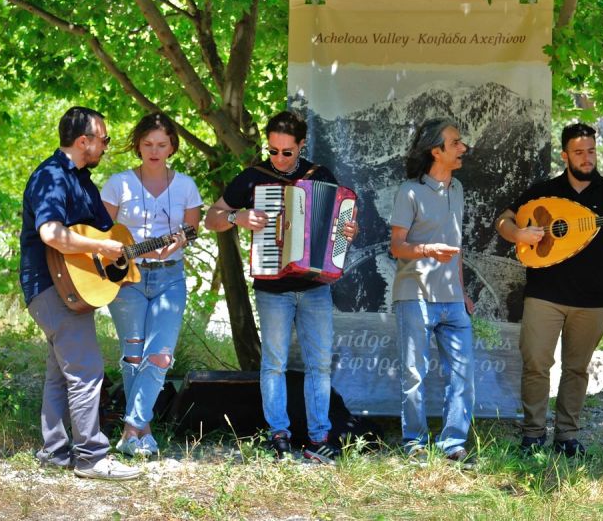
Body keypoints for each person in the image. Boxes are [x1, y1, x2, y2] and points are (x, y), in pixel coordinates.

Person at [204, 111, 357, 463]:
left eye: (287, 152)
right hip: (272, 287)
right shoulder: (253, 178)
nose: (278, 158)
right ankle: (279, 435)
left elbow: (340, 228)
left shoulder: (320, 176)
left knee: (320, 363)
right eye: (273, 150)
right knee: (273, 363)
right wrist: (235, 217)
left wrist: (348, 232)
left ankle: (319, 438)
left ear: (301, 146)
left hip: (316, 286)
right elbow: (212, 216)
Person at [495, 122, 603, 457]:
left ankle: (566, 437)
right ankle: (533, 435)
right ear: (565, 155)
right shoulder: (544, 192)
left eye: (591, 151)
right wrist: (518, 235)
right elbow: (504, 220)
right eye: (579, 152)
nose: (587, 158)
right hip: (545, 295)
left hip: (592, 301)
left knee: (576, 369)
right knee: (536, 362)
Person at [19, 106, 140, 480]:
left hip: (71, 287)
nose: (106, 145)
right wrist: (103, 250)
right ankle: (91, 457)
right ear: (83, 140)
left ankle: (54, 451)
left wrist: (138, 250)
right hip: (51, 286)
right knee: (86, 371)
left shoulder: (83, 181)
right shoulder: (51, 176)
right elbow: (52, 235)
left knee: (61, 372)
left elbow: (109, 238)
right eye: (103, 139)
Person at [100, 112, 202, 457]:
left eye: (162, 144)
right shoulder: (118, 183)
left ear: (172, 146)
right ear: (138, 145)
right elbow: (101, 232)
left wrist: (178, 243)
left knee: (159, 356)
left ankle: (131, 427)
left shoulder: (186, 185)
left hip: (170, 277)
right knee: (132, 355)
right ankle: (140, 431)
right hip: (128, 277)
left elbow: (192, 229)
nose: (154, 151)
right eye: (147, 144)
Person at [389, 118, 476, 466]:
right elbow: (397, 246)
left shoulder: (458, 189)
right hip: (415, 296)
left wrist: (463, 289)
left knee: (464, 371)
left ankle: (453, 442)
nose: (463, 148)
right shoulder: (408, 192)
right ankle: (414, 443)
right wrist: (427, 250)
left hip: (453, 299)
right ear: (436, 151)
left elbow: (455, 246)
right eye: (455, 143)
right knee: (414, 373)